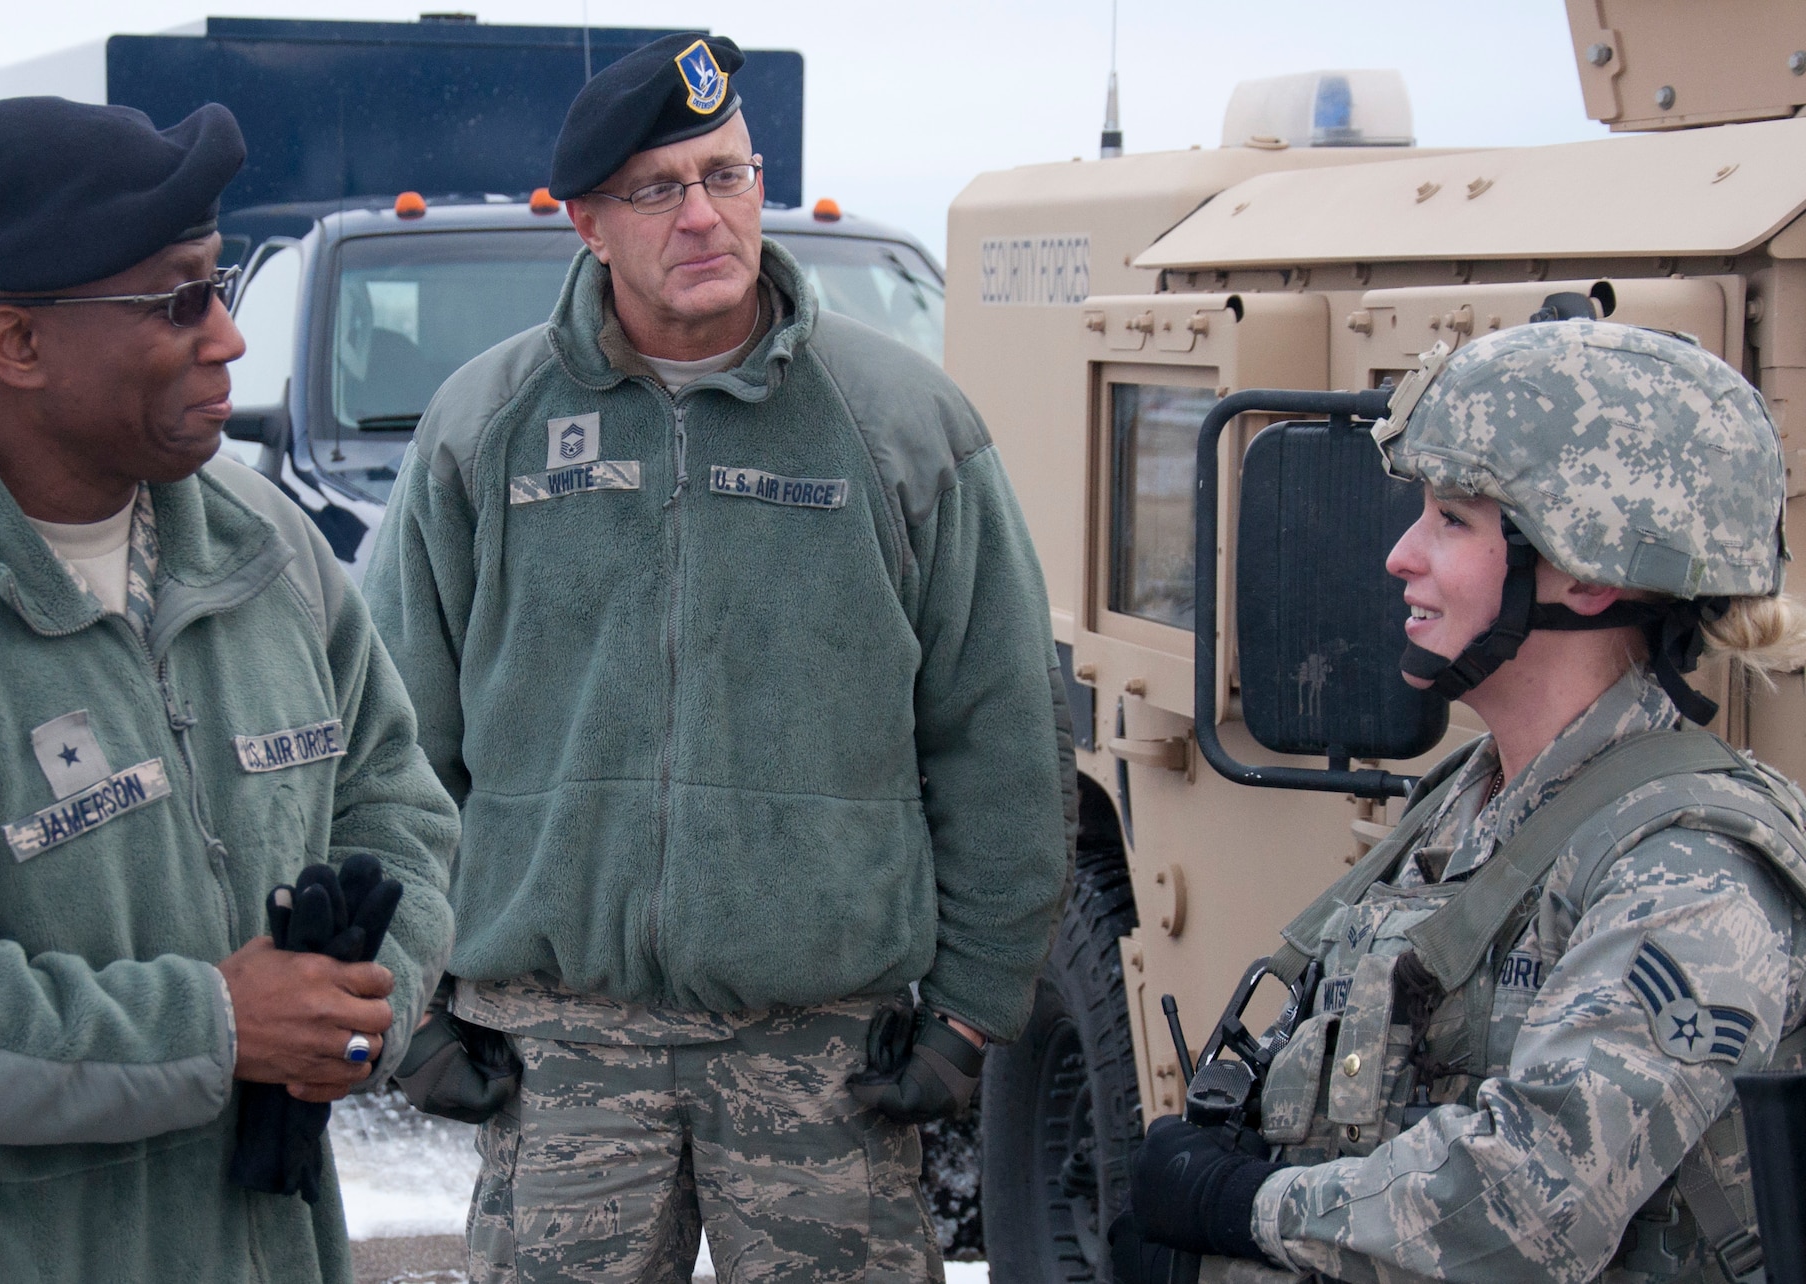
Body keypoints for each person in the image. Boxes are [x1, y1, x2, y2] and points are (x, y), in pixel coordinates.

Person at [365, 31, 1075, 1284]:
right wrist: (405, 995)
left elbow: (1001, 733)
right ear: (586, 221)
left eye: (728, 174)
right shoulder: (486, 428)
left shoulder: (902, 426)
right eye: (657, 189)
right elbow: (392, 742)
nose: (703, 215)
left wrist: (969, 1010)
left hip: (822, 1058)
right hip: (560, 1049)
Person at [0, 97, 458, 1283]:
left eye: (219, 285)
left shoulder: (268, 548)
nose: (228, 337)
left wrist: (364, 1005)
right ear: (15, 344)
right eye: (176, 300)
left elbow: (397, 807)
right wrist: (208, 1029)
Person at [1123, 321, 1806, 1283]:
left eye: (1454, 519)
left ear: (1589, 569)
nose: (1402, 555)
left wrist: (1240, 1208)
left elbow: (1532, 1206)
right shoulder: (1474, 795)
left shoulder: (1689, 868)